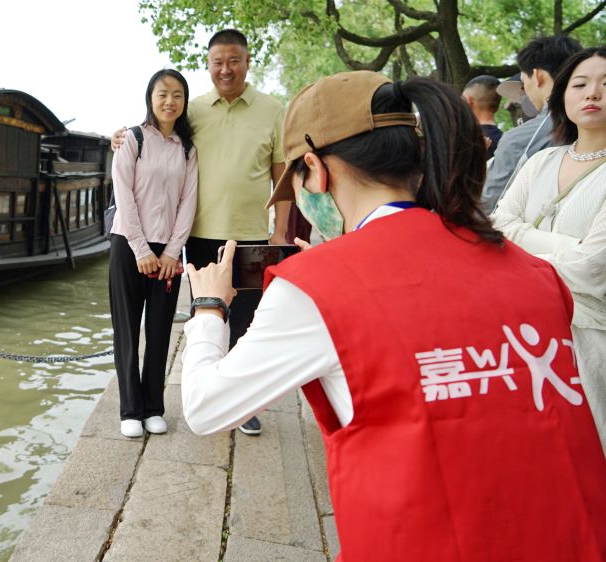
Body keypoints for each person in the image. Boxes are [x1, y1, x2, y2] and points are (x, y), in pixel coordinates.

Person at [181, 70, 606, 560]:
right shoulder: (536, 273)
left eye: (295, 181)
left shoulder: (314, 288)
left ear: (315, 170)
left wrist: (209, 307)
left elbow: (207, 408)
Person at [113, 29, 287, 436]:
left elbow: (281, 172)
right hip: (201, 235)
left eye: (234, 61)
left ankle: (242, 404)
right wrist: (118, 137)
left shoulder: (273, 109)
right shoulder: (194, 111)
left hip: (252, 234)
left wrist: (280, 229)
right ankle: (205, 394)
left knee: (247, 321)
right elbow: (158, 133)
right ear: (208, 66)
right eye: (217, 62)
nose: (225, 69)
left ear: (247, 62)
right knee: (207, 317)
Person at [491, 47, 606, 453]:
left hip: (590, 340)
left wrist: (520, 245)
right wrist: (570, 246)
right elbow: (497, 229)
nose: (593, 92)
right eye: (580, 83)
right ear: (562, 95)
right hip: (523, 332)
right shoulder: (540, 162)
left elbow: (592, 268)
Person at [109, 69, 198, 438]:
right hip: (128, 245)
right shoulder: (132, 139)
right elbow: (123, 195)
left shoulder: (187, 149)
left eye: (177, 94)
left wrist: (173, 252)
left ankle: (153, 407)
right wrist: (141, 248)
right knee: (127, 329)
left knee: (160, 330)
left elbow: (188, 203)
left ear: (184, 102)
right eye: (162, 94)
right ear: (150, 98)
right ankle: (130, 410)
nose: (169, 101)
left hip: (168, 254)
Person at [480, 35, 582, 213]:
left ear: (538, 76)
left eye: (523, 82)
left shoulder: (524, 137)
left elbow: (490, 204)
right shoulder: (590, 125)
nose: (524, 92)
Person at [462, 75, 503, 158]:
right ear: (497, 107)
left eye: (462, 100)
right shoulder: (506, 140)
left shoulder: (462, 139)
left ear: (469, 101)